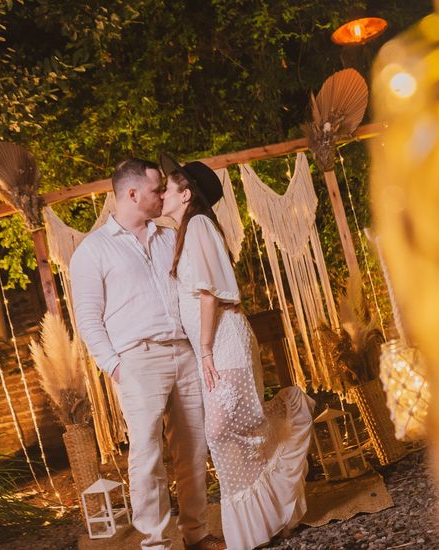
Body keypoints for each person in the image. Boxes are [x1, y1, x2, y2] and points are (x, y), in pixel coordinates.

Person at [158, 153, 314, 550]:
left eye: (167, 188)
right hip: (214, 345)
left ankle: (289, 429)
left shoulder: (197, 227)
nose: (161, 194)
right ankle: (264, 522)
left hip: (224, 342)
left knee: (222, 427)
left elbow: (209, 294)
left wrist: (206, 352)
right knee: (229, 431)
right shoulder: (185, 232)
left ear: (186, 194)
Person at [69, 158, 225, 550]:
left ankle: (196, 533)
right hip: (137, 360)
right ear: (132, 193)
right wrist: (117, 367)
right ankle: (156, 543)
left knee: (192, 449)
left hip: (185, 353)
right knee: (147, 455)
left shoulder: (171, 236)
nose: (162, 196)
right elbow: (87, 319)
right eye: (157, 190)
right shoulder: (92, 251)